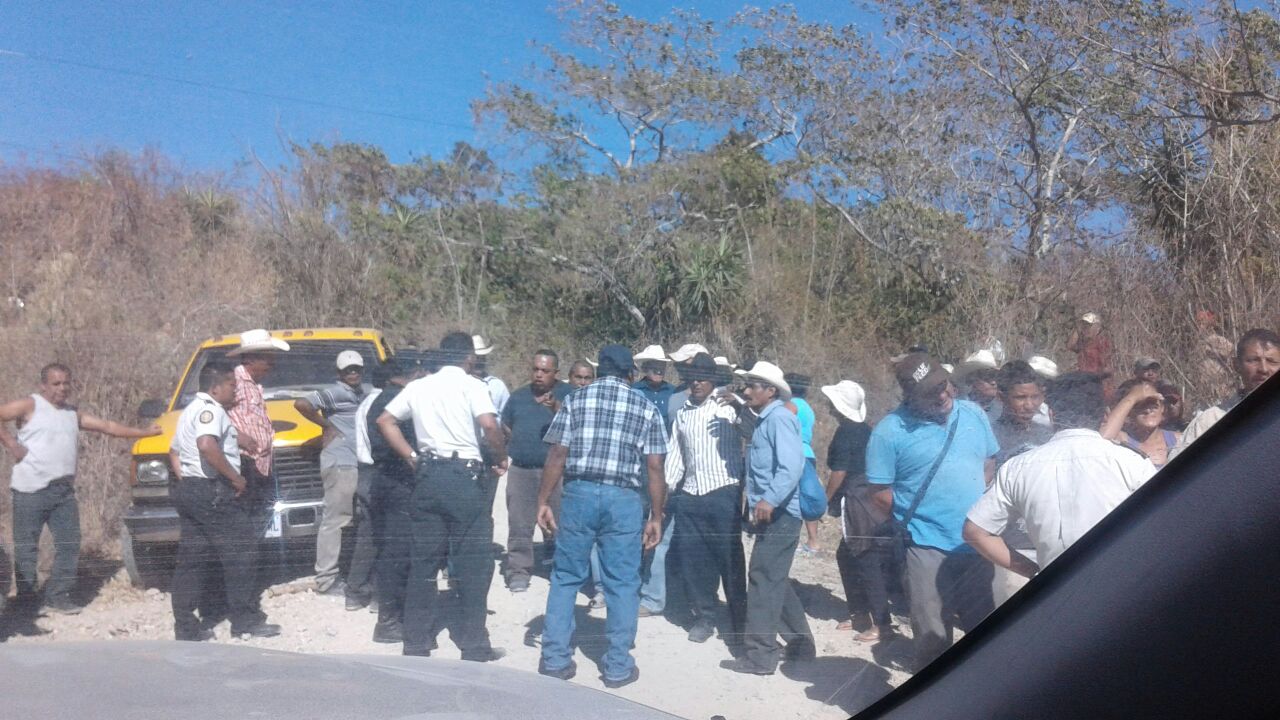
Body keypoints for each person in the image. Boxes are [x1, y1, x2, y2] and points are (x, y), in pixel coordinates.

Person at [536, 345, 668, 688]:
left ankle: (554, 659)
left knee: (565, 576)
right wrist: (657, 515)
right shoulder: (645, 406)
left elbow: (557, 454)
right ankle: (618, 667)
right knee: (623, 581)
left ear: (598, 371)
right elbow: (655, 466)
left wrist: (543, 500)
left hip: (579, 493)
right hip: (623, 499)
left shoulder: (576, 400)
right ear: (631, 375)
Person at [377, 332, 508, 661]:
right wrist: (500, 456)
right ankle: (475, 643)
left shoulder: (419, 386)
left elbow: (385, 420)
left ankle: (416, 642)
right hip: (464, 477)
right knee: (473, 563)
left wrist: (411, 456)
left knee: (424, 562)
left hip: (428, 475)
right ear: (469, 358)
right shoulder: (473, 385)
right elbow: (490, 426)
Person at [867, 353, 999, 671]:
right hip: (925, 546)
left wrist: (976, 511)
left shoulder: (973, 414)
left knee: (985, 628)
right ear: (909, 395)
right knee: (933, 634)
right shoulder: (889, 432)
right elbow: (879, 494)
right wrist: (921, 521)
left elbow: (989, 461)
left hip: (977, 541)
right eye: (931, 392)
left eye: (944, 385)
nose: (942, 396)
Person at [0, 363, 160, 615]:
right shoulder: (30, 405)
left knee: (69, 543)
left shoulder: (72, 414)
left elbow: (108, 427)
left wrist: (144, 433)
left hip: (63, 491)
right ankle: (27, 600)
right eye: (56, 383)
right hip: (29, 490)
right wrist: (11, 443)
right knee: (27, 546)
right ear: (43, 385)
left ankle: (58, 595)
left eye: (66, 383)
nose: (62, 388)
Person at [964, 372, 1158, 574]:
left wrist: (1034, 572)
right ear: (1105, 415)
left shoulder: (1018, 467)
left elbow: (975, 532)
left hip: (1056, 592)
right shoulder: (1131, 462)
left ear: (1051, 414)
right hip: (1122, 583)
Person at [168, 363, 281, 640]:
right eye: (232, 385)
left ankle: (185, 625)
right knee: (243, 551)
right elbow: (207, 445)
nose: (236, 391)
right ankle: (244, 619)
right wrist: (235, 478)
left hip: (192, 490)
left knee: (192, 559)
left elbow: (174, 450)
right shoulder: (211, 410)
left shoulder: (189, 412)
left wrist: (188, 479)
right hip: (213, 492)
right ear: (215, 388)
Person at [720, 361, 815, 676]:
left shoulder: (779, 421)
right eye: (746, 385)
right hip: (774, 512)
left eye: (753, 386)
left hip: (781, 513)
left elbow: (791, 467)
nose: (746, 391)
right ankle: (801, 646)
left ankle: (761, 657)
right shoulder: (765, 420)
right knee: (773, 578)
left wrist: (769, 500)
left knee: (762, 580)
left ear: (771, 391)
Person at [665, 353, 747, 647]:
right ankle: (705, 616)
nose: (696, 382)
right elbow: (676, 454)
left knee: (729, 559)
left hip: (723, 492)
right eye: (692, 377)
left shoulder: (728, 405)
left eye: (702, 377)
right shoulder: (683, 412)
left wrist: (741, 406)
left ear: (713, 379)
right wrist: (667, 489)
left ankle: (740, 622)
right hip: (690, 494)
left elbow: (752, 431)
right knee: (695, 561)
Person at [220, 329, 290, 624]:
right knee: (243, 543)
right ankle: (242, 610)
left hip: (260, 467)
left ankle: (247, 601)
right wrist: (237, 437)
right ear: (252, 359)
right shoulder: (233, 382)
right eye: (267, 358)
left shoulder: (255, 386)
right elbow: (214, 415)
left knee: (251, 540)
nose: (272, 364)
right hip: (243, 467)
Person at [820, 380, 892, 643]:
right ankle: (860, 612)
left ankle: (882, 624)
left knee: (865, 558)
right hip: (868, 497)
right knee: (847, 554)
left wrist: (825, 498)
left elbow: (839, 472)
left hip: (857, 500)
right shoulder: (863, 429)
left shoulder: (845, 434)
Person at [295, 349, 371, 596]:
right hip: (340, 462)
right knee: (335, 519)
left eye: (356, 369)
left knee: (350, 518)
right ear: (339, 373)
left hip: (353, 462)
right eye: (348, 370)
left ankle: (347, 570)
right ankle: (326, 578)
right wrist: (327, 426)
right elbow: (302, 403)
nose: (353, 373)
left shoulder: (361, 393)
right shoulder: (336, 392)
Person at [501, 349, 572, 593]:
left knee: (559, 521)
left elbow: (578, 427)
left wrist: (556, 409)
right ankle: (518, 570)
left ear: (556, 373)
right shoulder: (518, 396)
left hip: (556, 472)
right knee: (519, 522)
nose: (539, 374)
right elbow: (506, 427)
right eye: (536, 369)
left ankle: (561, 568)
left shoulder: (568, 395)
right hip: (521, 470)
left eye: (545, 370)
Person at [364, 355, 424, 644]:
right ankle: (389, 621)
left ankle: (390, 613)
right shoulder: (399, 401)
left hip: (383, 481)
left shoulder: (379, 399)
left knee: (389, 549)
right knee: (398, 552)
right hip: (400, 482)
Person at [1171, 328, 1280, 460]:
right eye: (1253, 360)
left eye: (1272, 361)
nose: (1263, 369)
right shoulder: (1210, 421)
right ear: (1236, 365)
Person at [632, 343, 677, 618]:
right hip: (637, 471)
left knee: (659, 530)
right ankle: (631, 587)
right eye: (653, 365)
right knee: (634, 531)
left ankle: (653, 596)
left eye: (661, 365)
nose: (658, 369)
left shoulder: (673, 394)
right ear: (644, 368)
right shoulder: (634, 393)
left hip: (665, 471)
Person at [784, 372, 823, 555]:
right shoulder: (808, 407)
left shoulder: (791, 405)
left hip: (795, 454)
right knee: (806, 497)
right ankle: (812, 540)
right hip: (809, 453)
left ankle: (797, 539)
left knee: (793, 497)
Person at [1102, 379, 1180, 469]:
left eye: (1152, 403)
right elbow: (1100, 442)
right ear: (1129, 411)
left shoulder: (1180, 440)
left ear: (1162, 407)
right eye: (1140, 405)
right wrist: (1133, 396)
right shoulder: (1121, 440)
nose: (1148, 410)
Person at [991, 361, 1053, 468]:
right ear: (1001, 397)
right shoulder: (990, 437)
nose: (1029, 405)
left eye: (1034, 397)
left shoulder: (1047, 435)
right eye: (1020, 398)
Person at [471, 335, 510, 415]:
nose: (479, 362)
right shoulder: (461, 385)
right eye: (476, 358)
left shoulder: (497, 385)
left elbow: (507, 415)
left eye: (482, 358)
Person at [955, 350, 1001, 417]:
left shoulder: (1002, 409)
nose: (993, 382)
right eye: (988, 376)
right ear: (972, 379)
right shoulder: (958, 409)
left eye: (995, 375)